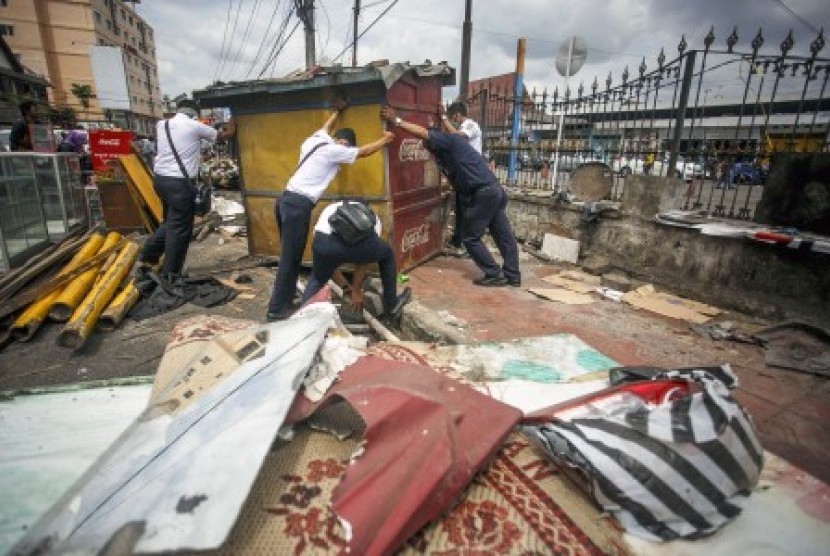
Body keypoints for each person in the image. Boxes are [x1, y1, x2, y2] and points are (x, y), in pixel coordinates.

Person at [266, 104, 394, 321]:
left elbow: (325, 125)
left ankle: (286, 301)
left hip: (285, 201)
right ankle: (276, 310)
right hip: (298, 205)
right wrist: (386, 140)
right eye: (343, 144)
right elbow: (363, 152)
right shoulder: (333, 150)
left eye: (345, 145)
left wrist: (337, 112)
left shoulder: (316, 140)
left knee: (292, 257)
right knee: (289, 259)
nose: (343, 148)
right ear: (338, 142)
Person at [380, 105, 521, 287]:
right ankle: (513, 274)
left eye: (425, 143)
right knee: (503, 234)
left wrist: (396, 121)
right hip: (493, 190)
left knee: (470, 237)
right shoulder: (447, 153)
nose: (424, 146)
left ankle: (494, 273)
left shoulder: (448, 141)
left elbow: (424, 133)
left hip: (483, 193)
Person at [137, 99, 236, 279]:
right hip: (179, 184)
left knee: (169, 222)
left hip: (160, 181)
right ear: (194, 114)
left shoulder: (162, 124)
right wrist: (234, 118)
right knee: (180, 229)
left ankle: (148, 255)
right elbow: (226, 134)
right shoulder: (195, 126)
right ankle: (171, 274)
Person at [299, 200, 412, 322]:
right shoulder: (371, 218)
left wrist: (346, 288)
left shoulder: (331, 208)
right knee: (388, 254)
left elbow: (329, 265)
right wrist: (356, 291)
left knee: (317, 278)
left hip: (322, 243)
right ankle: (391, 305)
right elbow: (362, 261)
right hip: (354, 247)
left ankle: (302, 318)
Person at [440, 101, 483, 253]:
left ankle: (467, 244)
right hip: (463, 173)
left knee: (467, 209)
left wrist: (444, 119)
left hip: (472, 174)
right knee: (460, 208)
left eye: (453, 118)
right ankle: (458, 241)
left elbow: (458, 137)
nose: (454, 121)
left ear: (457, 115)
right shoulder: (463, 126)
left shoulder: (471, 125)